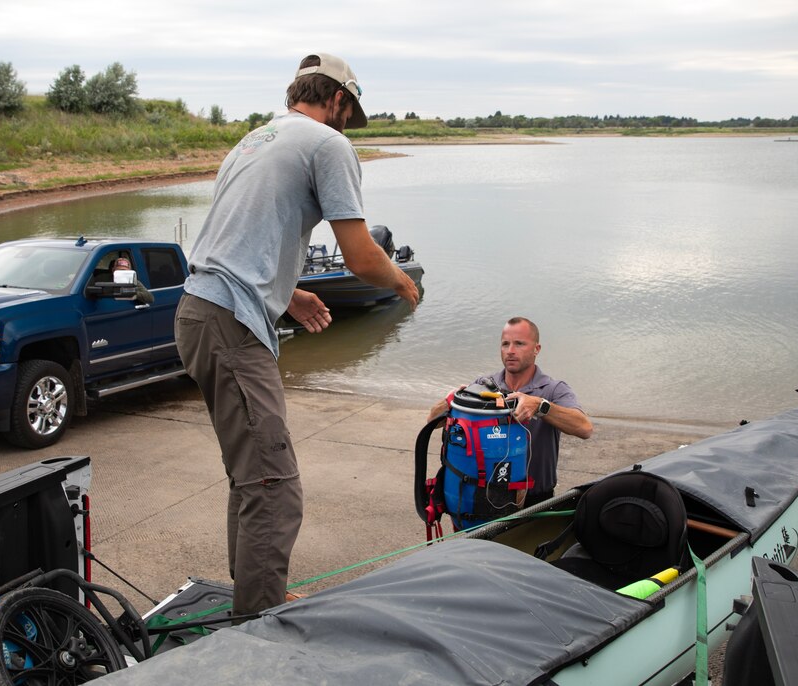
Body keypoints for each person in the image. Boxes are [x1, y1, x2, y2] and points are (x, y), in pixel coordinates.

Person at [174, 53, 420, 619]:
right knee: (274, 486)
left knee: (250, 474)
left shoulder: (254, 141)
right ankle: (257, 625)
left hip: (199, 310)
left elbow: (239, 240)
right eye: (347, 112)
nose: (344, 125)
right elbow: (361, 258)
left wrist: (289, 294)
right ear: (335, 97)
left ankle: (255, 596)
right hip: (231, 323)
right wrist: (401, 280)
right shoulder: (327, 144)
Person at [427, 317, 592, 506]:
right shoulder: (484, 385)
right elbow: (432, 421)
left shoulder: (553, 389)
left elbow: (584, 428)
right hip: (485, 497)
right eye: (505, 344)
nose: (510, 351)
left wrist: (540, 406)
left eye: (519, 344)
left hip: (535, 500)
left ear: (536, 349)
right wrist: (451, 400)